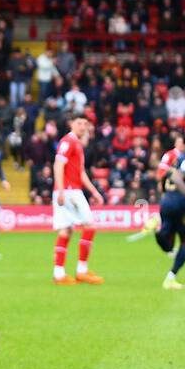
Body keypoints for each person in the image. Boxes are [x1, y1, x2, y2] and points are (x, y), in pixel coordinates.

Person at [144, 134, 185, 289]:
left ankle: (160, 232)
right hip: (180, 203)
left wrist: (166, 193)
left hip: (167, 202)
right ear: (184, 144)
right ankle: (171, 278)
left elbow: (167, 177)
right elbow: (177, 179)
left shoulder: (177, 161)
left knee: (168, 238)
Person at [52, 116, 104, 285]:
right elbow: (58, 165)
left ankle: (59, 274)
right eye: (79, 123)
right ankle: (81, 271)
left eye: (85, 124)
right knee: (90, 226)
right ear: (71, 124)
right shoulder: (68, 141)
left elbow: (80, 172)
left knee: (66, 231)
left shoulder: (77, 144)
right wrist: (60, 190)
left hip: (70, 190)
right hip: (69, 191)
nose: (83, 126)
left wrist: (94, 192)